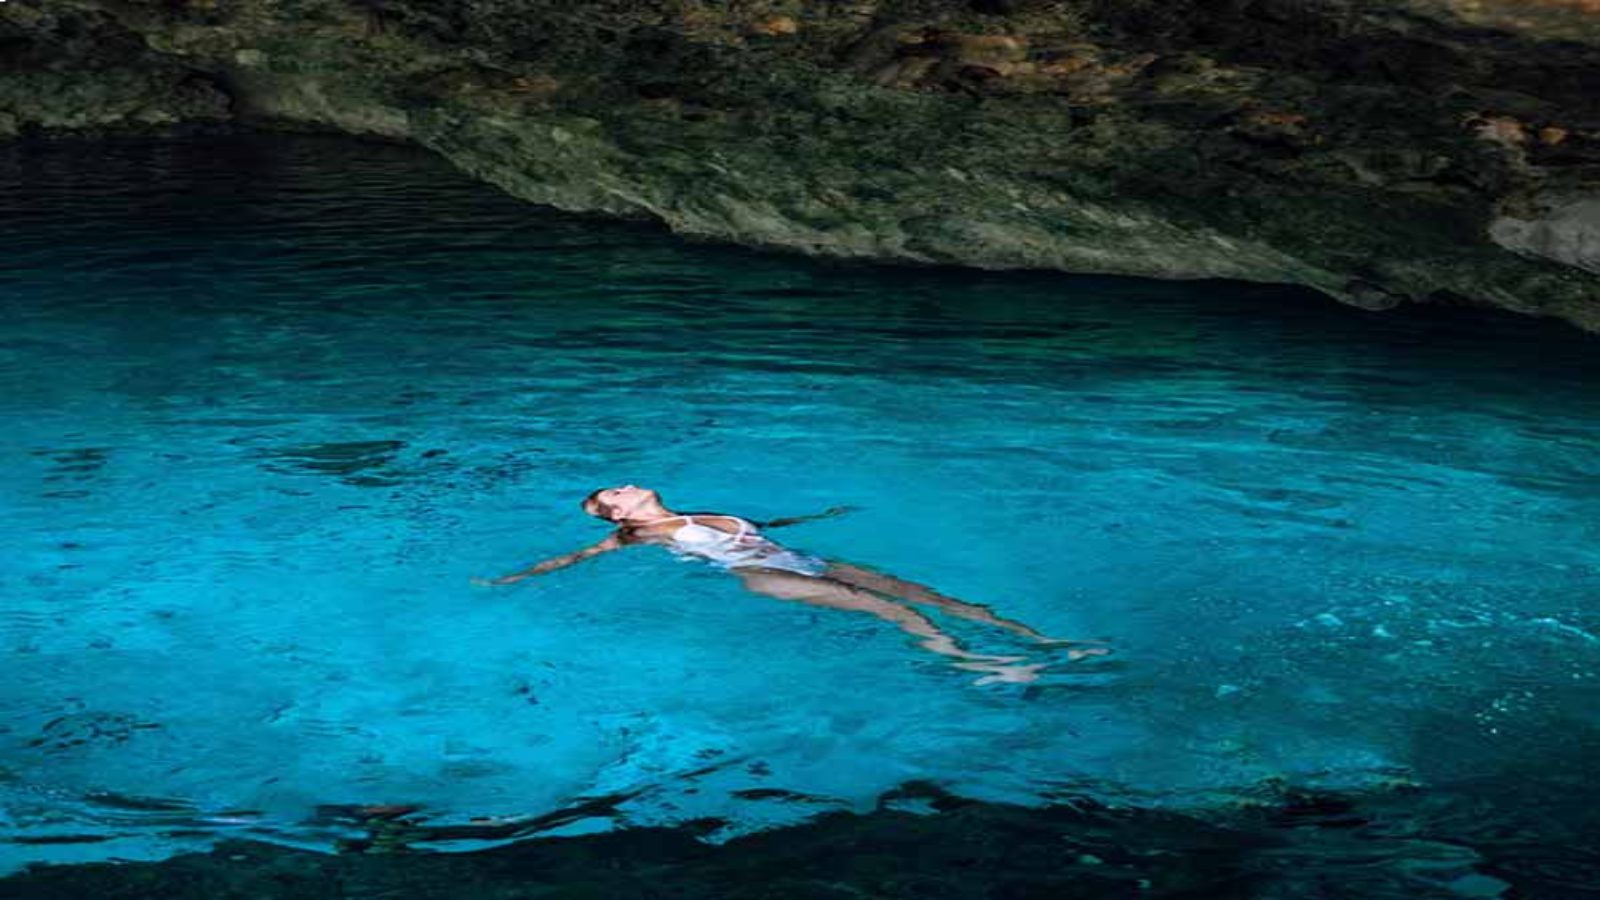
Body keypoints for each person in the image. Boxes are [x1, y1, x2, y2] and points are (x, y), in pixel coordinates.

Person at [475, 485, 1107, 683]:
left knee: (937, 597)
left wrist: (821, 519)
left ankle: (1049, 644)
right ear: (618, 513)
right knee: (889, 612)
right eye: (613, 493)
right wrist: (510, 578)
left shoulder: (693, 510)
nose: (624, 486)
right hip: (766, 576)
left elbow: (762, 525)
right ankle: (984, 668)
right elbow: (575, 558)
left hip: (800, 554)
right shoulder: (639, 535)